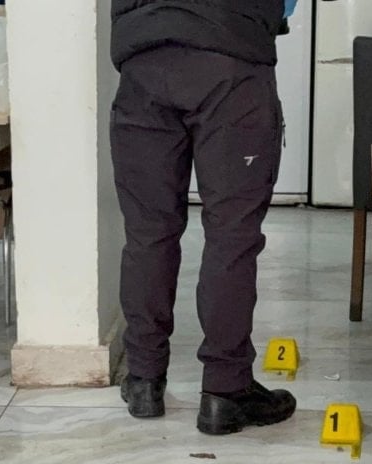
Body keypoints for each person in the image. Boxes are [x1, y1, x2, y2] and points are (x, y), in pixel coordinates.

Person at [110, 0, 300, 435]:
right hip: (231, 58)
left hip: (143, 60)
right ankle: (225, 391)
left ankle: (143, 379)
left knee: (147, 231)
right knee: (232, 235)